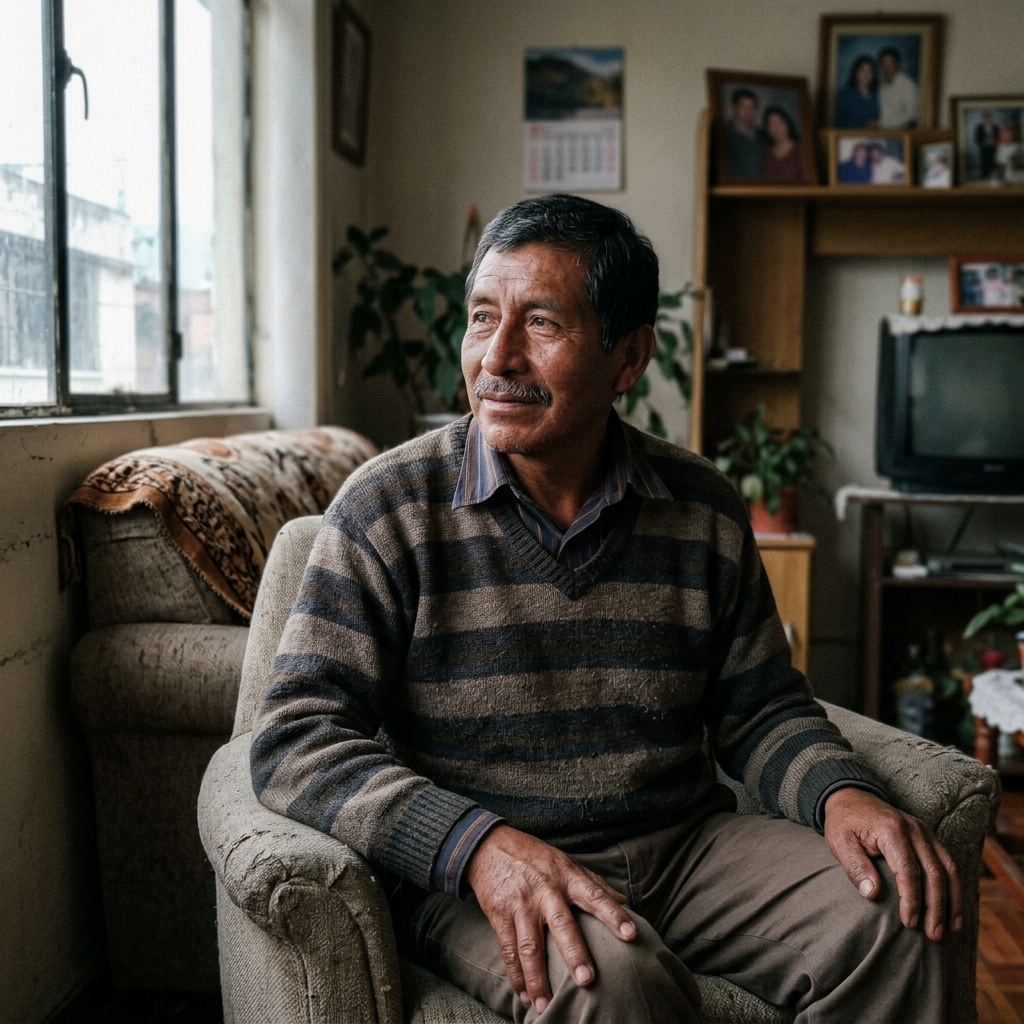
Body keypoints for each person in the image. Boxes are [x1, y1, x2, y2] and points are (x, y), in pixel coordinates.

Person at [251, 194, 958, 1024]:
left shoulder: (701, 507)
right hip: (482, 873)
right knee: (608, 984)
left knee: (898, 917)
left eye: (541, 323)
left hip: (686, 851)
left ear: (629, 357)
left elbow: (761, 708)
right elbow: (297, 738)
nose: (497, 357)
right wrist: (474, 845)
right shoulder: (388, 508)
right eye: (483, 318)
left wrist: (840, 794)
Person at [725, 87, 765, 178]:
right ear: (734, 108)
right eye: (743, 107)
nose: (748, 112)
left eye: (752, 107)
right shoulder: (724, 133)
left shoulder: (763, 135)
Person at [761, 105, 805, 182]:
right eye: (771, 125)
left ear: (787, 124)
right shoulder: (767, 152)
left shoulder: (801, 150)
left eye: (779, 123)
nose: (776, 128)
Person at [877, 47, 919, 128]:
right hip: (882, 132)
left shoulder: (909, 86)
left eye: (889, 62)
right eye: (883, 63)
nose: (886, 66)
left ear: (897, 64)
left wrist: (882, 123)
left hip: (902, 131)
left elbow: (911, 115)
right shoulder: (881, 88)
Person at [835, 55, 879, 128]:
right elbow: (840, 122)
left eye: (870, 70)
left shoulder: (877, 95)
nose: (866, 74)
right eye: (862, 70)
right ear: (855, 73)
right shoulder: (845, 94)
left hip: (876, 134)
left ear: (873, 75)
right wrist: (865, 125)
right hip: (851, 134)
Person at [976, 112, 999, 180]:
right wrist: (983, 142)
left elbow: (998, 137)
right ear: (983, 119)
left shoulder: (995, 127)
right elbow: (977, 138)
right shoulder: (979, 127)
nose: (987, 120)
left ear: (991, 119)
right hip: (984, 148)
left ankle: (992, 175)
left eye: (989, 118)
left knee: (993, 161)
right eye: (986, 118)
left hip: (993, 147)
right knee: (984, 161)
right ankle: (984, 176)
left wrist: (994, 142)